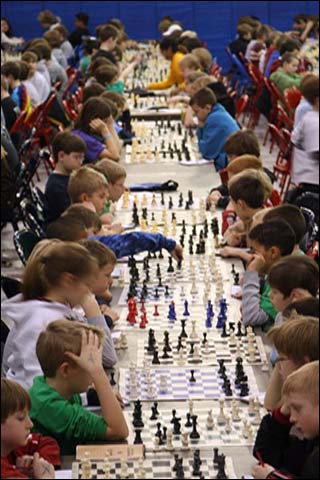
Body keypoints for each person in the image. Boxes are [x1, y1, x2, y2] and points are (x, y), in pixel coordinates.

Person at [2, 242, 117, 389]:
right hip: (30, 408)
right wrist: (88, 397)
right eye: (87, 286)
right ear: (67, 281)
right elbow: (39, 390)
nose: (88, 294)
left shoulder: (62, 311)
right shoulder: (41, 322)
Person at [28, 320, 128, 455]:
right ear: (66, 370)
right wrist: (98, 373)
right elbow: (119, 430)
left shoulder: (47, 385)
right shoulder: (51, 406)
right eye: (90, 364)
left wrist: (95, 395)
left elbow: (80, 399)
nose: (95, 370)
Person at [253, 360, 319, 479]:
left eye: (297, 408)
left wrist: (272, 477)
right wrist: (281, 416)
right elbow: (265, 456)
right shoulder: (311, 444)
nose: (292, 418)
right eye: (290, 409)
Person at [241, 219, 296, 330]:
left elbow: (251, 317)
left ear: (273, 252)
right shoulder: (275, 274)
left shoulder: (283, 281)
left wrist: (252, 272)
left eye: (254, 251)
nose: (251, 257)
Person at [1, 378, 60, 479]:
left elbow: (48, 443)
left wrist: (36, 461)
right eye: (21, 418)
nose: (30, 424)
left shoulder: (11, 446)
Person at [207, 129, 261, 208]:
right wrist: (216, 191)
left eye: (231, 157)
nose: (228, 160)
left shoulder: (258, 179)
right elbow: (228, 187)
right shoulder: (241, 172)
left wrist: (220, 201)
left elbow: (245, 202)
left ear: (243, 156)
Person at [189, 87, 239, 170]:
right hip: (230, 159)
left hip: (232, 164)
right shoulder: (217, 112)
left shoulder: (214, 119)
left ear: (208, 108)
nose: (196, 116)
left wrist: (200, 126)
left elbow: (207, 153)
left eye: (197, 112)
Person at [43, 132, 87, 226]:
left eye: (82, 157)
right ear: (61, 156)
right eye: (76, 157)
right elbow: (70, 215)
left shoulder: (70, 177)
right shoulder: (56, 186)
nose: (81, 162)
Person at [223, 169, 272, 246]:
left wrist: (236, 252)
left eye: (233, 205)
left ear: (240, 204)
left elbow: (259, 256)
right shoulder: (253, 218)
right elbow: (227, 233)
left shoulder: (263, 225)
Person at [72, 97, 120, 163]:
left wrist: (110, 125)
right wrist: (105, 131)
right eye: (105, 121)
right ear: (93, 120)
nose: (105, 125)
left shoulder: (90, 134)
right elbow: (115, 156)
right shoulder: (83, 138)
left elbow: (118, 149)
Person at [291, 75, 319, 187]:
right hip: (312, 179)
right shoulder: (313, 122)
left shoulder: (310, 116)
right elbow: (316, 153)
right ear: (317, 101)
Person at [93, 158, 127, 223]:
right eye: (120, 185)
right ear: (108, 186)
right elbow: (107, 220)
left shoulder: (108, 203)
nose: (124, 189)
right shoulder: (99, 206)